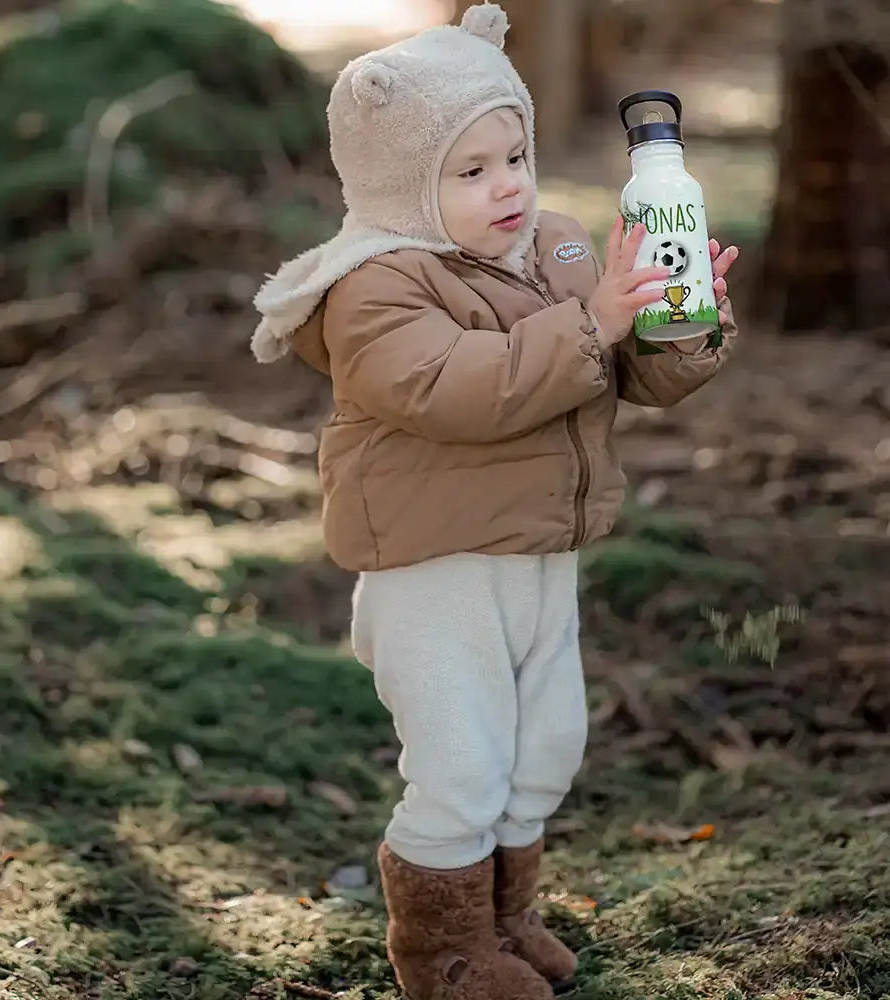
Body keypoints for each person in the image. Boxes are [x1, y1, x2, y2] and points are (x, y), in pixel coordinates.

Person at [251, 4, 739, 998]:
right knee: (460, 763)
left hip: (538, 551)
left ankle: (505, 921)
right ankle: (444, 953)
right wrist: (591, 323)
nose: (508, 184)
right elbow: (457, 389)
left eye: (513, 156)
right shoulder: (374, 285)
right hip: (435, 569)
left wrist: (676, 323)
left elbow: (626, 376)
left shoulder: (555, 248)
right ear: (403, 186)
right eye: (469, 171)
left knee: (542, 749)